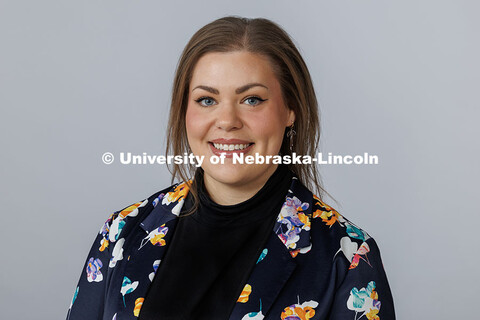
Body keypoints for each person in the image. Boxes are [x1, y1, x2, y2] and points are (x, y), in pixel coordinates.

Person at [66, 16, 395, 320]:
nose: (226, 121)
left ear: (290, 110)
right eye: (207, 100)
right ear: (184, 111)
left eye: (252, 99)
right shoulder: (121, 232)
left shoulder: (348, 258)